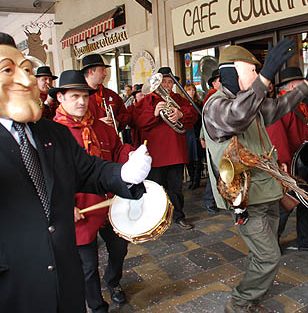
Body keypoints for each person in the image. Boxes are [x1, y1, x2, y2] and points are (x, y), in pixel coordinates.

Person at [0, 34, 151, 313]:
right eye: (7, 70)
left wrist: (125, 173)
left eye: (27, 70)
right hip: (16, 290)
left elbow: (89, 169)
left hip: (65, 281)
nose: (27, 80)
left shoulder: (51, 133)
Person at [202, 40, 308, 313]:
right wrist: (266, 74)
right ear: (231, 73)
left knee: (260, 255)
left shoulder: (251, 102)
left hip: (267, 192)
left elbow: (280, 106)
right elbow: (237, 116)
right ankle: (238, 304)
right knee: (269, 257)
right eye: (251, 71)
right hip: (246, 199)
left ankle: (250, 303)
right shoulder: (216, 106)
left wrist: (306, 84)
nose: (258, 76)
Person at [50, 70, 134, 312]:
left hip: (108, 204)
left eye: (85, 96)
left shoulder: (101, 127)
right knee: (87, 266)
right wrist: (65, 206)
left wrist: (132, 157)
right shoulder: (52, 134)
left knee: (119, 248)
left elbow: (117, 152)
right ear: (60, 99)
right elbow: (48, 177)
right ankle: (97, 307)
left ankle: (113, 281)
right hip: (79, 210)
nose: (81, 102)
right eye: (74, 96)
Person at [266, 67, 308, 253]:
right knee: (285, 206)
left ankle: (305, 240)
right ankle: (271, 245)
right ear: (294, 85)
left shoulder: (299, 105)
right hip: (291, 164)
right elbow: (276, 137)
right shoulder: (279, 105)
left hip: (305, 161)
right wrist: (283, 163)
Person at [132, 67, 198, 230]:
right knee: (155, 188)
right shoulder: (147, 100)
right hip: (155, 154)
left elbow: (193, 115)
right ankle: (156, 218)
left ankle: (178, 216)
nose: (167, 85)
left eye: (170, 82)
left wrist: (181, 114)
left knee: (176, 188)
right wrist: (154, 113)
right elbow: (137, 121)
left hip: (175, 152)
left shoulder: (178, 99)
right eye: (164, 82)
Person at [82, 54, 131, 132]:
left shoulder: (111, 94)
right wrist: (97, 124)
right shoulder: (78, 97)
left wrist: (117, 122)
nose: (105, 73)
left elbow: (125, 115)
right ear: (90, 72)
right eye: (102, 70)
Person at [200, 70, 220, 213]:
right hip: (214, 137)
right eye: (220, 80)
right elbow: (205, 119)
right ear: (214, 83)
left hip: (217, 136)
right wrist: (202, 136)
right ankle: (210, 200)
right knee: (216, 170)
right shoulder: (212, 96)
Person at [183, 83, 203, 190]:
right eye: (189, 90)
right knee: (189, 156)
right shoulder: (183, 103)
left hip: (196, 132)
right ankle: (192, 178)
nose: (192, 92)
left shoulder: (199, 103)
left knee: (197, 157)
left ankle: (196, 180)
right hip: (187, 133)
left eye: (193, 90)